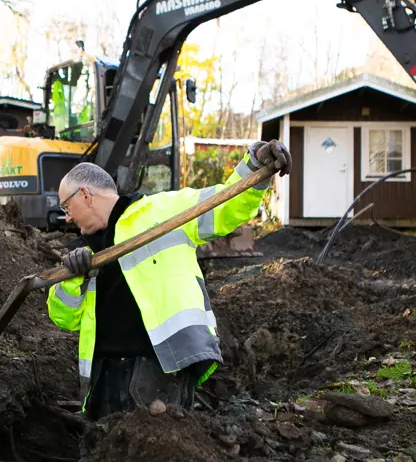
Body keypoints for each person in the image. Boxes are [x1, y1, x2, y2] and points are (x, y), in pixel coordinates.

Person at [46, 139, 291, 421]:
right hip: (103, 378)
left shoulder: (161, 212)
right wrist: (70, 279)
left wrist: (255, 164)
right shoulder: (82, 252)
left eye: (67, 206)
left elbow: (224, 205)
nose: (66, 218)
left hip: (157, 368)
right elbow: (64, 319)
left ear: (85, 195)